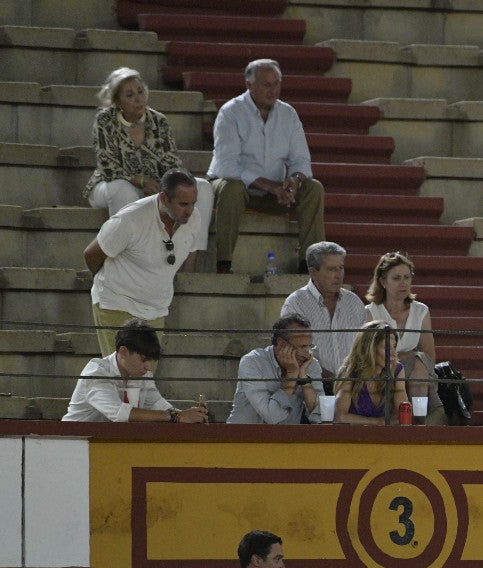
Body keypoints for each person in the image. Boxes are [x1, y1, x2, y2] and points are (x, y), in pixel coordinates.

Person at [84, 68, 212, 270]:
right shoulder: (105, 120)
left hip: (155, 186)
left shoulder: (159, 120)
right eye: (130, 95)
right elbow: (108, 166)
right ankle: (125, 259)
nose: (138, 99)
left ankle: (189, 261)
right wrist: (141, 181)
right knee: (122, 190)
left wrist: (164, 187)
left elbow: (171, 162)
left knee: (203, 187)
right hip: (109, 184)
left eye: (140, 92)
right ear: (117, 100)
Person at [207, 59, 325, 275]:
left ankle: (309, 265)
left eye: (277, 84)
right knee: (231, 187)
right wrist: (268, 185)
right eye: (266, 85)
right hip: (233, 187)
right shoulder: (231, 112)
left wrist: (294, 181)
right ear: (249, 84)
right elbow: (227, 164)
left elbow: (301, 160)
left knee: (313, 188)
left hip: (274, 193)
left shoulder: (288, 114)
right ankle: (224, 264)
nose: (273, 91)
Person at [83, 167, 204, 357]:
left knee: (144, 379)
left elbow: (186, 252)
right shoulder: (131, 218)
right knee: (120, 377)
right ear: (164, 199)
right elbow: (92, 254)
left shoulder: (194, 218)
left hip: (156, 310)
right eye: (183, 204)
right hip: (117, 304)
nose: (189, 210)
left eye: (193, 203)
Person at [62, 319, 209, 425]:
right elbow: (120, 414)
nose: (148, 367)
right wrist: (177, 416)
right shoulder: (96, 372)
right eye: (143, 360)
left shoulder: (142, 374)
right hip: (73, 445)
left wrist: (190, 417)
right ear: (124, 352)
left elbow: (157, 404)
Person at [364, 252, 443, 424]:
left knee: (420, 365)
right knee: (415, 361)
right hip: (382, 368)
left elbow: (430, 356)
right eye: (397, 278)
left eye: (407, 277)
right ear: (383, 281)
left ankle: (416, 423)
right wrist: (407, 356)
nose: (403, 283)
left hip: (415, 369)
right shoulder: (371, 311)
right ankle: (410, 421)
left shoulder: (421, 310)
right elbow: (369, 354)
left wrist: (410, 357)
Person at [280, 242, 368, 381]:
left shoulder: (354, 302)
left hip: (353, 385)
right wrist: (333, 380)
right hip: (311, 383)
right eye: (332, 269)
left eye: (341, 268)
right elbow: (294, 352)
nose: (339, 275)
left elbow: (365, 348)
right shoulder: (296, 303)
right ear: (313, 272)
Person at [228, 315, 324, 424]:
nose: (307, 353)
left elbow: (320, 418)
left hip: (286, 438)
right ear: (282, 344)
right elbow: (272, 417)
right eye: (302, 347)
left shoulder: (310, 364)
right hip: (244, 438)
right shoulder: (252, 362)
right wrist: (291, 375)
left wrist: (305, 381)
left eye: (309, 346)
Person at [332, 322, 409, 425]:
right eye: (387, 348)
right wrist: (377, 422)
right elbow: (339, 416)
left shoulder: (397, 370)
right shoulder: (350, 372)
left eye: (394, 347)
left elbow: (402, 416)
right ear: (370, 349)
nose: (394, 353)